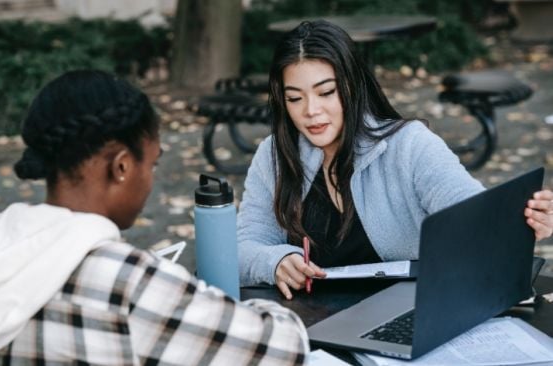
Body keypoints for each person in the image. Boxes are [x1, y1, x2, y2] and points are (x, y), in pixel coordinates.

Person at [0, 70, 309, 365]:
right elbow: (281, 348)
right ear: (122, 166)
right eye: (152, 164)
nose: (150, 180)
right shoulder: (129, 284)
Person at [237, 20, 553, 300]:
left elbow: (472, 215)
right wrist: (274, 262)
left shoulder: (409, 145)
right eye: (295, 98)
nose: (310, 111)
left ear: (351, 86)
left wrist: (519, 224)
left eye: (326, 92)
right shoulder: (274, 156)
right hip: (310, 326)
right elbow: (241, 250)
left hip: (405, 317)